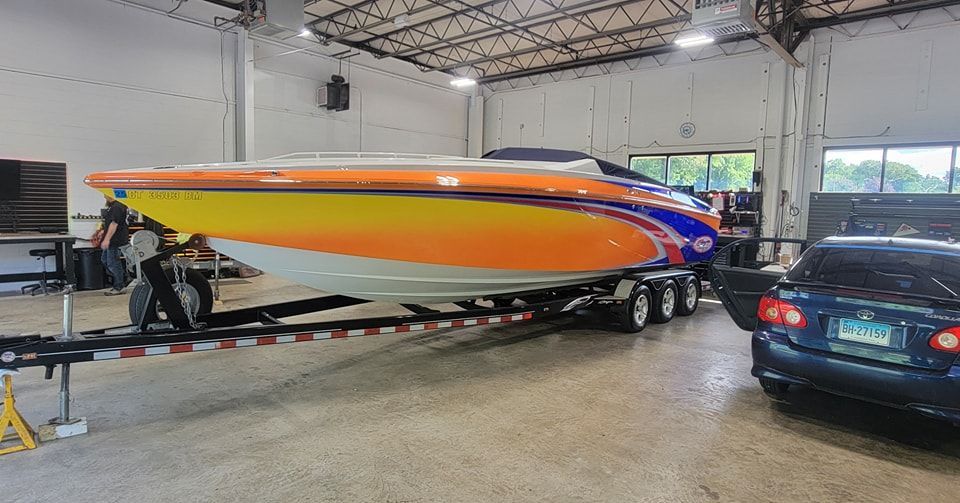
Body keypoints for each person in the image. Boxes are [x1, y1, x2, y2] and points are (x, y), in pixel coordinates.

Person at [100, 195, 129, 295]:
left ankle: (119, 286)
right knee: (105, 260)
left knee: (113, 263)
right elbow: (109, 224)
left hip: (116, 240)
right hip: (112, 239)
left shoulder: (117, 206)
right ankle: (123, 278)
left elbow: (114, 224)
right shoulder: (112, 206)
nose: (104, 195)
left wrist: (107, 239)